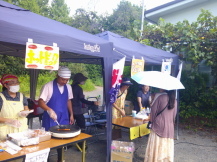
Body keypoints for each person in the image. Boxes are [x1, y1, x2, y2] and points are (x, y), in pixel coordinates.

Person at [38, 67, 74, 162]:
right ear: (57, 76)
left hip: (64, 117)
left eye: (67, 80)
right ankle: (46, 159)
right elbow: (40, 102)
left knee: (62, 139)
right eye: (63, 79)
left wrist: (71, 114)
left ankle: (60, 159)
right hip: (50, 117)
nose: (65, 82)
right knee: (48, 140)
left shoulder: (68, 87)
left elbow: (68, 100)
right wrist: (49, 110)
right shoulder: (48, 86)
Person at [144, 90, 177, 162]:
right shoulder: (175, 100)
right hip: (169, 128)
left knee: (156, 145)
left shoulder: (160, 97)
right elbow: (174, 116)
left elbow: (152, 113)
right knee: (166, 146)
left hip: (158, 126)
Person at [0, 74, 30, 140]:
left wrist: (24, 113)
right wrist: (9, 121)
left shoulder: (22, 96)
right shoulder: (1, 97)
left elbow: (26, 108)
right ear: (6, 85)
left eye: (17, 82)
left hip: (21, 129)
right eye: (13, 82)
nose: (16, 84)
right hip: (5, 131)